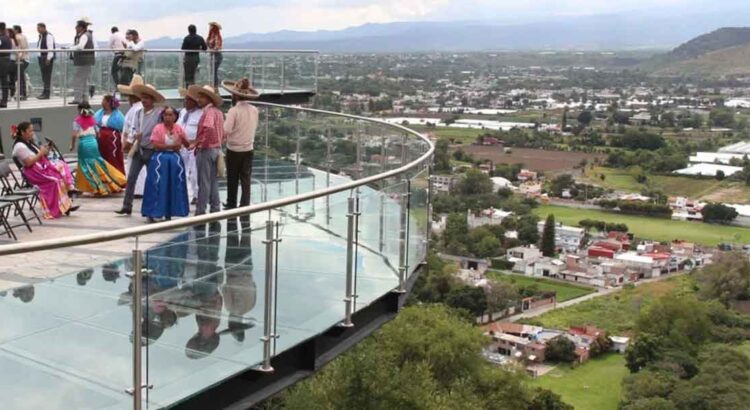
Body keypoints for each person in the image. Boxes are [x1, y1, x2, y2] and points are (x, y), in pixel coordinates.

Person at [11, 122, 79, 219]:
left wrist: (45, 150)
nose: (32, 133)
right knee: (55, 180)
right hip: (33, 173)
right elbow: (28, 163)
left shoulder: (29, 143)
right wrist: (41, 153)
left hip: (38, 168)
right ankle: (59, 207)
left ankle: (66, 203)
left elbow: (39, 156)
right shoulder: (19, 146)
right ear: (22, 132)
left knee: (60, 170)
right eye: (30, 131)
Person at [116, 83, 165, 215]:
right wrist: (130, 141)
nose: (144, 100)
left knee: (153, 179)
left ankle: (154, 206)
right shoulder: (138, 113)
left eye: (147, 98)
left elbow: (162, 129)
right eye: (142, 97)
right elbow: (133, 129)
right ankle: (127, 205)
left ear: (152, 100)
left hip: (151, 149)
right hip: (139, 148)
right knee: (131, 177)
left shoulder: (159, 114)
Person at [142, 106, 191, 223]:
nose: (168, 117)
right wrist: (171, 147)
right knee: (157, 185)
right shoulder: (158, 128)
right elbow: (155, 145)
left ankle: (170, 211)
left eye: (171, 115)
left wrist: (183, 139)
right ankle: (152, 212)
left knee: (172, 185)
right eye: (166, 115)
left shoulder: (178, 128)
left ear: (175, 117)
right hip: (160, 160)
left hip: (174, 161)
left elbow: (187, 144)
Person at [71, 102, 127, 195]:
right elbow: (98, 133)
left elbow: (74, 135)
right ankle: (110, 183)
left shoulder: (77, 121)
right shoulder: (93, 120)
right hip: (93, 142)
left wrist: (72, 145)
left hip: (84, 143)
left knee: (85, 165)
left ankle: (94, 187)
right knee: (98, 163)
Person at [221, 79, 258, 210]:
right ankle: (245, 204)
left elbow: (226, 130)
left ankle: (231, 203)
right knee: (245, 178)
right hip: (249, 148)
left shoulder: (233, 111)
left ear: (235, 95)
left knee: (232, 178)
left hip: (234, 149)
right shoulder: (254, 109)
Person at [189, 84, 224, 215]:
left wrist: (199, 144)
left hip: (207, 150)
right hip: (216, 149)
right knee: (213, 181)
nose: (198, 100)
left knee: (203, 182)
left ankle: (201, 210)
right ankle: (215, 207)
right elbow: (223, 132)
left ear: (208, 98)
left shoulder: (209, 112)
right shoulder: (219, 113)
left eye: (201, 97)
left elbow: (208, 127)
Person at [178, 87, 201, 203]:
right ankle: (183, 193)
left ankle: (196, 195)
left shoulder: (201, 114)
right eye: (185, 99)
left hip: (193, 146)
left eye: (188, 100)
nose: (185, 102)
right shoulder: (183, 112)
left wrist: (195, 143)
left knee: (194, 172)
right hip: (182, 145)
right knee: (182, 170)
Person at [94, 94, 126, 174]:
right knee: (102, 157)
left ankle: (116, 177)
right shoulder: (99, 113)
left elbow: (123, 127)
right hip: (101, 139)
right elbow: (95, 124)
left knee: (112, 157)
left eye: (103, 100)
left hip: (112, 140)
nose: (102, 102)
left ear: (108, 102)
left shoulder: (118, 115)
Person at [69, 19, 95, 105]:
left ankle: (78, 99)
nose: (75, 28)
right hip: (86, 61)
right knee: (84, 80)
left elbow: (81, 46)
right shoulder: (87, 35)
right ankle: (84, 99)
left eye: (77, 26)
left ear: (81, 27)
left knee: (78, 80)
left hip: (83, 61)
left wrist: (70, 48)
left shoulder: (84, 36)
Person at [36, 23, 55, 99]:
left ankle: (47, 94)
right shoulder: (41, 36)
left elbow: (50, 48)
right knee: (44, 77)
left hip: (46, 58)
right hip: (41, 58)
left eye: (39, 28)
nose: (37, 30)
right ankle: (44, 92)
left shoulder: (48, 36)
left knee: (47, 76)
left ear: (44, 28)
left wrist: (48, 58)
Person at [12, 25, 29, 101]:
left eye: (13, 29)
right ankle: (23, 94)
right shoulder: (23, 36)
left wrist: (19, 58)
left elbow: (21, 48)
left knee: (19, 78)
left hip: (21, 59)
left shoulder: (18, 37)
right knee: (20, 77)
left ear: (16, 30)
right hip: (25, 58)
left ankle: (21, 94)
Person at [207, 22, 223, 89]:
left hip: (216, 56)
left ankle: (215, 87)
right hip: (213, 56)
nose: (209, 27)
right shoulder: (211, 35)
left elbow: (217, 47)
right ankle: (214, 87)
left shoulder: (216, 36)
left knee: (214, 73)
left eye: (210, 26)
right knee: (213, 72)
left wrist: (212, 49)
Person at [6, 27, 18, 101]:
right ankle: (12, 95)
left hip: (9, 61)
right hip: (13, 61)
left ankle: (8, 95)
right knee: (12, 79)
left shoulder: (9, 41)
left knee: (6, 79)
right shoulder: (15, 41)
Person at [0, 23, 10, 108]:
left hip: (1, 60)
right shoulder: (8, 38)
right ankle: (4, 100)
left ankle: (3, 101)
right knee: (4, 81)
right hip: (6, 60)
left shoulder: (1, 38)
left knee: (3, 81)